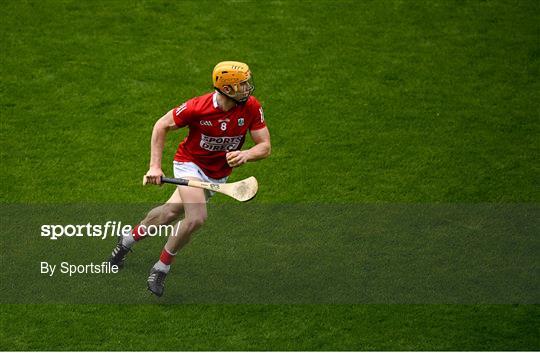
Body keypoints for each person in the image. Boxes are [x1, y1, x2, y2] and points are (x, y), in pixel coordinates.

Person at [108, 61, 271, 297]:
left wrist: (246, 154)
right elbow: (161, 125)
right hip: (189, 164)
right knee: (196, 218)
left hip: (218, 173)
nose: (247, 87)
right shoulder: (198, 107)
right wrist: (155, 166)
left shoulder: (252, 107)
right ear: (227, 89)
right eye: (242, 84)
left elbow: (265, 146)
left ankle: (125, 243)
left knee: (170, 213)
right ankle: (161, 267)